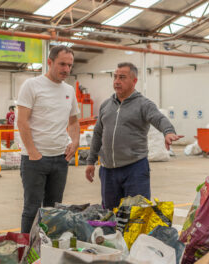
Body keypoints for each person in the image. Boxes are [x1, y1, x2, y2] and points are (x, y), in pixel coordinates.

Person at [85, 62, 183, 210]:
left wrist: (168, 131)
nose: (117, 81)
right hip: (108, 170)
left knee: (137, 214)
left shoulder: (143, 104)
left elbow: (159, 118)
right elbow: (98, 134)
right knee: (110, 214)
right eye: (115, 77)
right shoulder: (106, 105)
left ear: (134, 81)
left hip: (134, 169)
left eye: (122, 77)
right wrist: (90, 161)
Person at [17, 45, 80, 233]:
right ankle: (27, 252)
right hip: (35, 160)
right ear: (50, 62)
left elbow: (74, 121)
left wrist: (75, 142)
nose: (66, 69)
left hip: (60, 159)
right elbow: (22, 122)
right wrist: (34, 153)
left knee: (53, 210)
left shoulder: (69, 89)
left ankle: (48, 249)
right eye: (62, 64)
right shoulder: (32, 85)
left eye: (70, 65)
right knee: (32, 209)